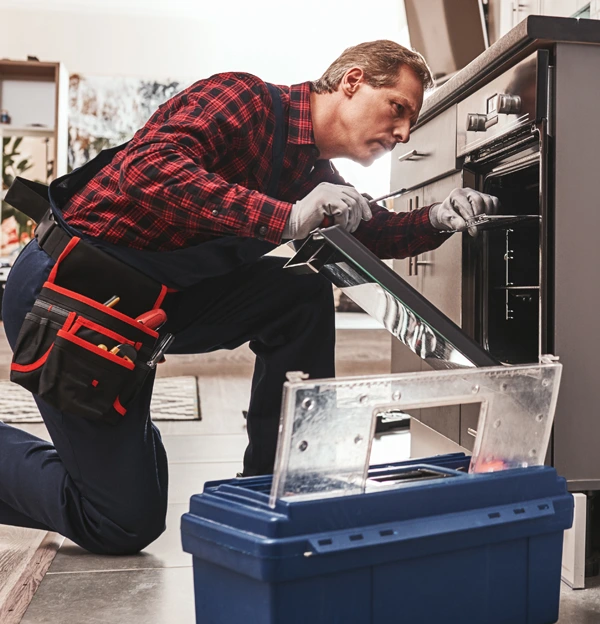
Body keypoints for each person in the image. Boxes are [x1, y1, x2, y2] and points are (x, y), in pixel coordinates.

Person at [0, 40, 499, 555]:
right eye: (398, 108)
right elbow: (146, 171)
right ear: (352, 82)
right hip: (69, 295)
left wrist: (439, 217)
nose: (403, 133)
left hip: (148, 309)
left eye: (410, 122)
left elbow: (375, 231)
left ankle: (271, 487)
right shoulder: (244, 100)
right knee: (123, 522)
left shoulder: (308, 172)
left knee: (299, 290)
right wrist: (283, 217)